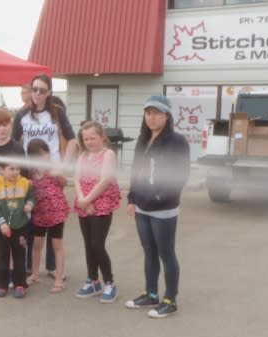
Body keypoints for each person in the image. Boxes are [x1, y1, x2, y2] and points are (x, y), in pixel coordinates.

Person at [124, 95, 190, 318]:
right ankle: (150, 294)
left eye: (157, 113)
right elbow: (136, 170)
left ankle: (170, 299)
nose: (151, 118)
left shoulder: (177, 141)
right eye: (148, 113)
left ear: (167, 116)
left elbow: (181, 175)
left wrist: (161, 196)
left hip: (164, 209)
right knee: (149, 252)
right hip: (142, 206)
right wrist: (132, 198)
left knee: (166, 253)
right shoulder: (143, 140)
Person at [12, 74, 76, 281]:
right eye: (34, 89)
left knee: (53, 217)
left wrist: (64, 168)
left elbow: (72, 140)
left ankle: (53, 267)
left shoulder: (57, 114)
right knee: (32, 220)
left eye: (42, 90)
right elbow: (14, 144)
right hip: (30, 174)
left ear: (49, 93)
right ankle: (32, 266)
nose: (37, 93)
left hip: (52, 174)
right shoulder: (21, 115)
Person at [73, 121, 121, 303]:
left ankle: (109, 282)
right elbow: (76, 178)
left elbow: (105, 180)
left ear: (102, 137)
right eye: (86, 139)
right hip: (84, 201)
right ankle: (93, 280)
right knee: (88, 244)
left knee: (97, 244)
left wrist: (88, 200)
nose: (89, 142)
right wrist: (82, 200)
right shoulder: (83, 155)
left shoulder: (108, 154)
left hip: (101, 202)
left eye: (93, 138)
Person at [0, 107, 26, 288]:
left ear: (10, 125)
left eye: (5, 124)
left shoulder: (16, 147)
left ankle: (13, 273)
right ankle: (1, 270)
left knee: (14, 238)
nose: (2, 129)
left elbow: (23, 174)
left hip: (14, 202)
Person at [0, 153, 34, 298]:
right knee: (3, 256)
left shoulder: (26, 183)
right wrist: (2, 223)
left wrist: (29, 204)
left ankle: (20, 284)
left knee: (20, 256)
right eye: (11, 169)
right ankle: (2, 284)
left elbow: (32, 196)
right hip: (2, 228)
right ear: (1, 170)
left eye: (17, 169)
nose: (15, 172)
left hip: (20, 227)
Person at [26, 138, 70, 293]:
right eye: (40, 155)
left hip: (56, 211)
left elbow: (65, 182)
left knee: (57, 245)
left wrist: (58, 175)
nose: (44, 158)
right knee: (37, 244)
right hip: (39, 212)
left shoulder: (53, 167)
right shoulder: (30, 173)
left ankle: (59, 279)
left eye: (45, 154)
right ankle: (35, 273)